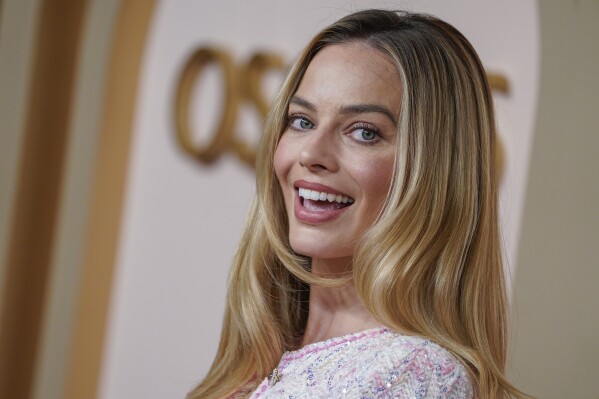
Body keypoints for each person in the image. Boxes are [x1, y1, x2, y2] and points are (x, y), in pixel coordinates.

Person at [189, 9, 528, 399]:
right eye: (301, 121)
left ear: (432, 171)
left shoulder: (413, 374)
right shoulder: (264, 351)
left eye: (364, 132)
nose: (312, 153)